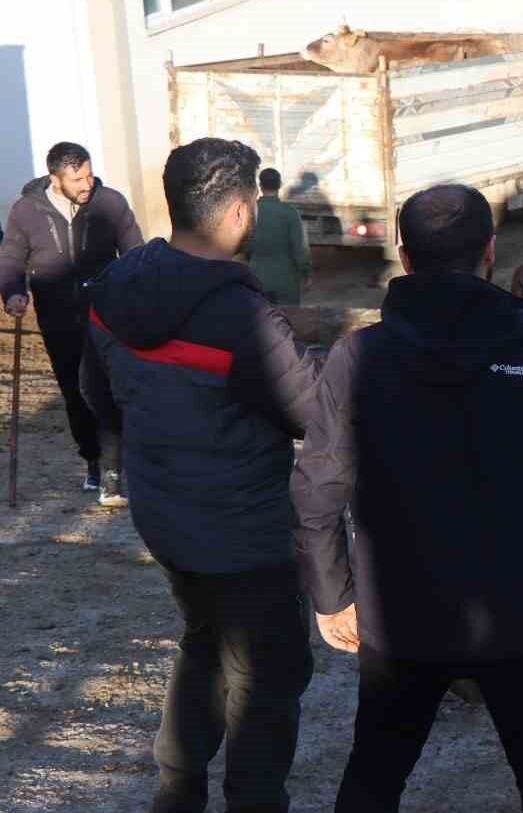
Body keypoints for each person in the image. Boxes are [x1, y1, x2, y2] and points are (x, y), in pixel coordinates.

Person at [291, 183, 523, 813]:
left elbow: (317, 487)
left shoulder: (358, 356)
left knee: (374, 779)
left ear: (404, 256)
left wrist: (332, 594)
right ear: (491, 251)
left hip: (403, 613)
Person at [79, 138, 323, 813]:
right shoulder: (243, 317)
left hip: (163, 515)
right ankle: (253, 800)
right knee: (269, 670)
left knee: (206, 639)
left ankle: (177, 791)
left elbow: (98, 396)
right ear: (241, 211)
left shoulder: (116, 287)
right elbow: (313, 412)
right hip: (244, 531)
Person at [0, 141, 142, 502]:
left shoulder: (110, 203)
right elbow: (11, 258)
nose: (86, 184)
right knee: (74, 391)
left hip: (107, 316)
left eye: (89, 176)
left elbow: (135, 253)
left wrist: (137, 291)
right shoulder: (25, 211)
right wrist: (13, 292)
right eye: (77, 179)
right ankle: (93, 460)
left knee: (106, 389)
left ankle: (112, 472)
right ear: (55, 179)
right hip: (58, 318)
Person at [248, 168, 312, 305]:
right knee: (288, 316)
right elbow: (300, 249)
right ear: (280, 185)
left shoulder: (250, 212)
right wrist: (306, 274)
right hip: (286, 281)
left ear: (260, 186)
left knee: (259, 317)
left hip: (256, 278)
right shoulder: (290, 212)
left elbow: (243, 247)